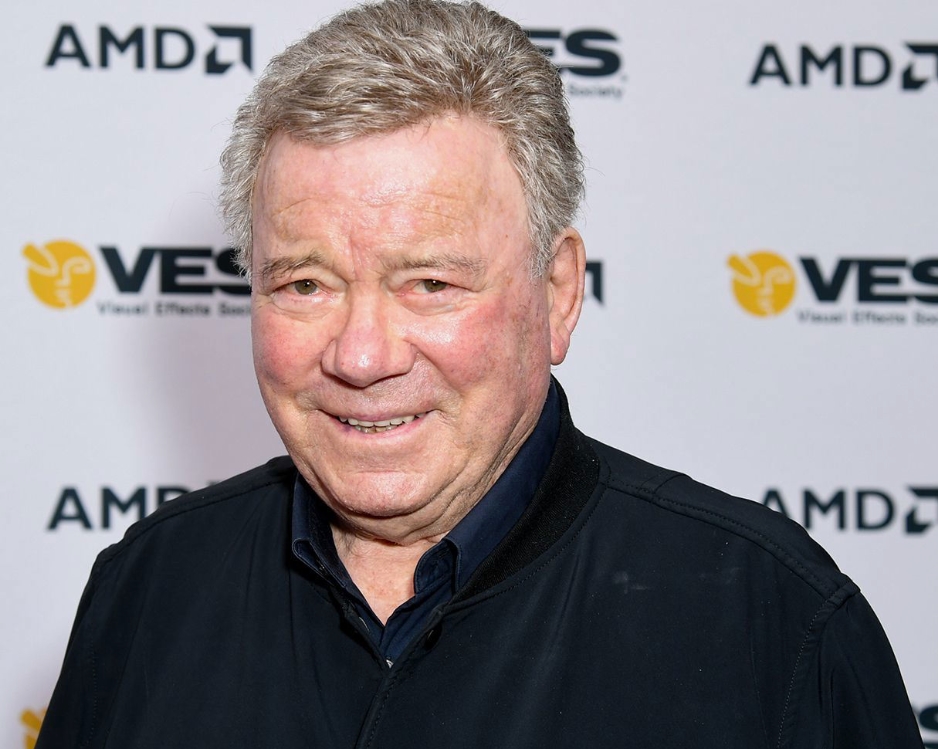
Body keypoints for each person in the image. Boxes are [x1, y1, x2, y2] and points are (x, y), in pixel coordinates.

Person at [37, 1, 923, 747]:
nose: (361, 355)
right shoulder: (149, 589)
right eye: (305, 284)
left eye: (430, 283)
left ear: (558, 293)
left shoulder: (771, 625)